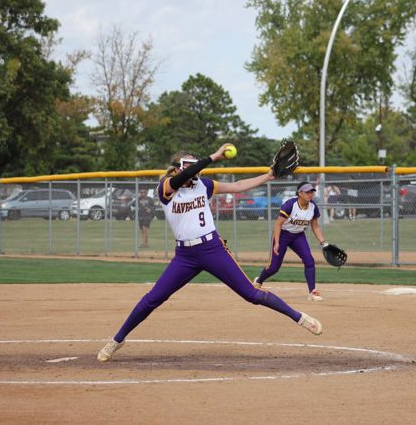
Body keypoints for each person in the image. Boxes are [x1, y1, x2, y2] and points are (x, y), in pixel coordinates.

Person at [97, 144, 323, 362]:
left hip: (212, 249)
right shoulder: (166, 188)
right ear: (177, 169)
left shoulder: (203, 185)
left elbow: (237, 186)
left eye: (194, 165)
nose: (193, 170)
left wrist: (268, 176)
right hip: (185, 256)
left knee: (251, 294)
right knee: (153, 298)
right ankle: (117, 340)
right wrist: (214, 157)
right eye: (188, 166)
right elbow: (183, 177)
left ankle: (299, 317)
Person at [252, 181, 330, 302]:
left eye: (312, 192)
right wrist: (277, 242)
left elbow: (315, 226)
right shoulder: (290, 205)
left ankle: (312, 292)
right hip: (283, 235)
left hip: (298, 236)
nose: (310, 194)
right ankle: (259, 280)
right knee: (274, 267)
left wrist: (323, 242)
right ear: (300, 193)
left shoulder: (313, 207)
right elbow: (278, 224)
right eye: (307, 192)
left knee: (309, 260)